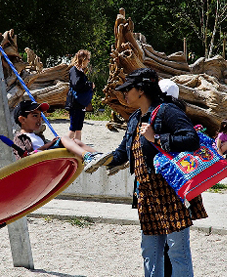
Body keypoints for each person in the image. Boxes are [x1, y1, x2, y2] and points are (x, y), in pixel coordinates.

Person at [85, 68, 207, 277]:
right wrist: (99, 160)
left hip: (171, 193)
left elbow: (191, 139)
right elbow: (123, 153)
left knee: (178, 252)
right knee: (150, 253)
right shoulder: (134, 118)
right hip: (147, 195)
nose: (124, 93)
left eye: (127, 89)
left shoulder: (167, 111)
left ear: (140, 90)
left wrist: (157, 138)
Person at [12, 100, 112, 168]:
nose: (39, 119)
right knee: (64, 138)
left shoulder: (37, 136)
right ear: (22, 119)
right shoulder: (19, 138)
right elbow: (25, 157)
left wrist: (51, 143)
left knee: (75, 141)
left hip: (49, 156)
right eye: (35, 116)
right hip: (39, 162)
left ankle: (99, 157)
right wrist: (50, 144)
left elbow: (48, 146)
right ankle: (87, 157)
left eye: (40, 116)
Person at [65, 49, 94, 141]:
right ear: (83, 59)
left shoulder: (80, 71)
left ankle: (78, 147)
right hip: (75, 102)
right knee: (73, 127)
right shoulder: (74, 70)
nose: (89, 61)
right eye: (88, 59)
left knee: (78, 128)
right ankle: (63, 145)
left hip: (80, 103)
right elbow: (76, 85)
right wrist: (90, 85)